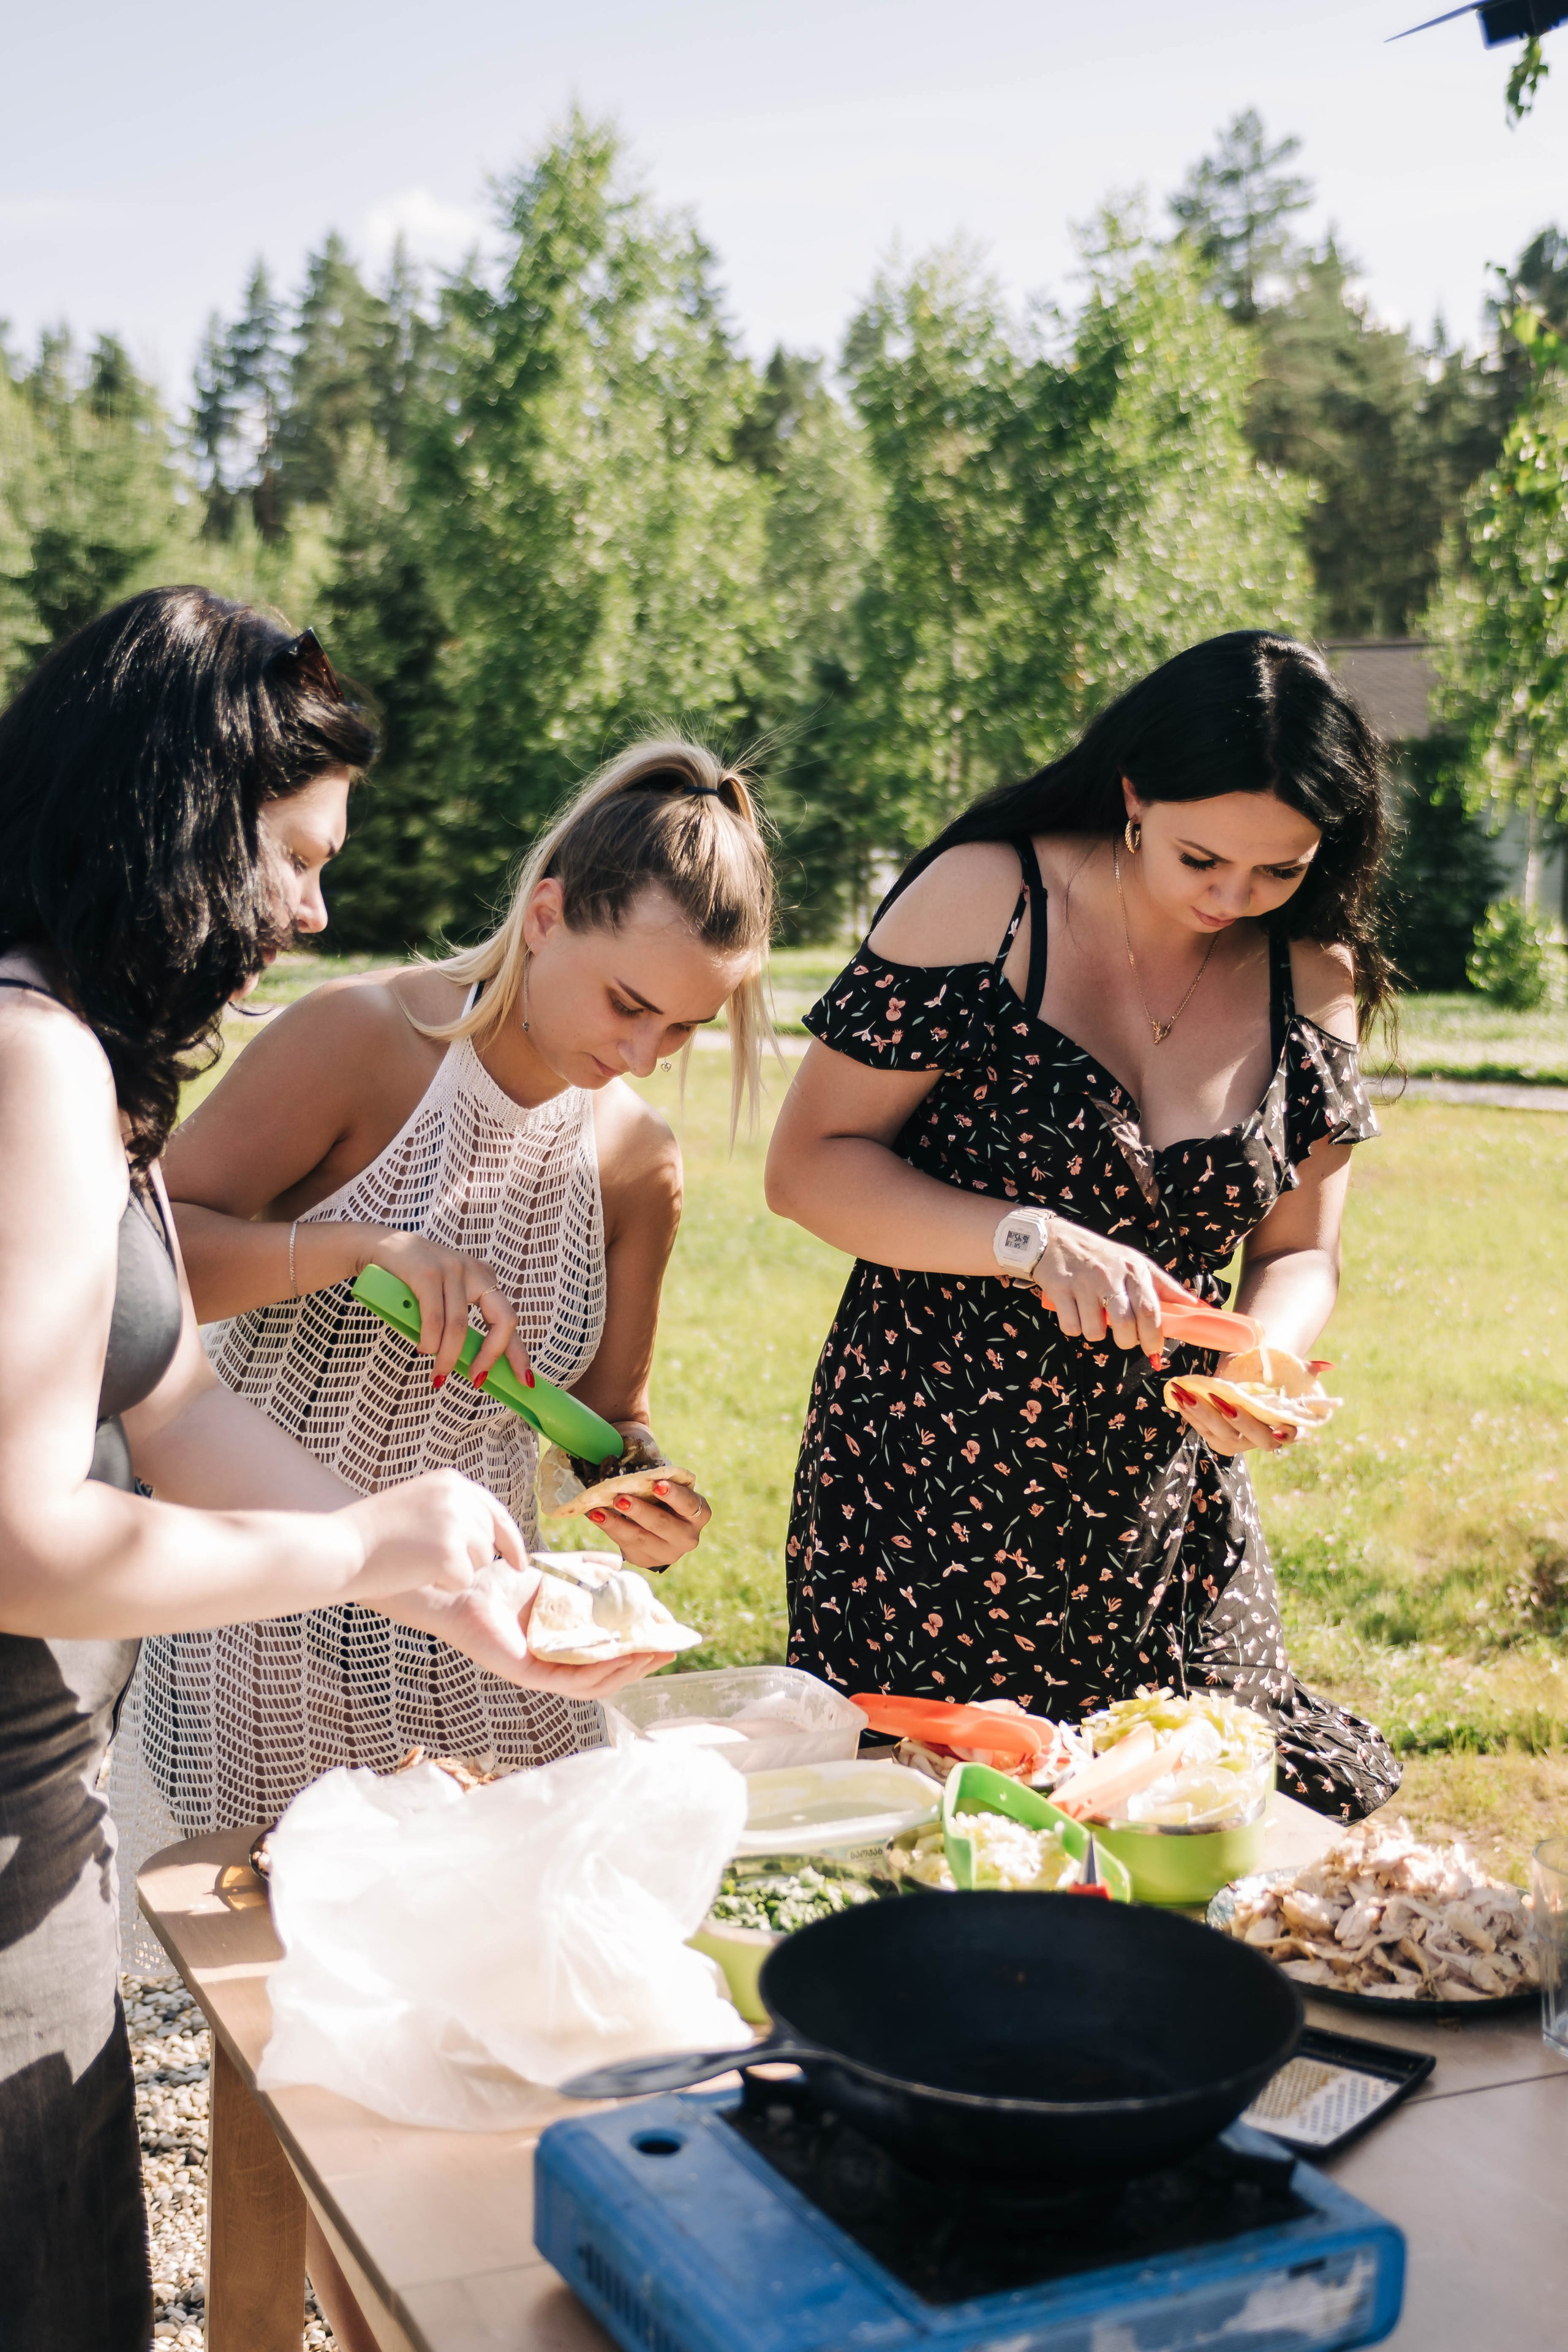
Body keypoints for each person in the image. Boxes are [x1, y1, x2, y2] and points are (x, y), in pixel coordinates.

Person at [0, 589, 664, 2352]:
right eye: (291, 858)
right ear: (168, 825)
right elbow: (25, 1542)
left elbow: (173, 1406)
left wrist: (447, 1583)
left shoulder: (80, 1058)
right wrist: (361, 1548)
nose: (311, 909)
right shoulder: (26, 1057)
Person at [112, 740, 774, 1893]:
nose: (641, 1055)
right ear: (546, 917)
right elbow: (141, 1263)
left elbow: (608, 1418)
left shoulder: (636, 1162)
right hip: (268, 1614)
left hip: (491, 1638)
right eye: (628, 1004)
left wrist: (642, 1492)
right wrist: (357, 1248)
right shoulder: (361, 1039)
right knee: (270, 1952)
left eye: (682, 1029)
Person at [767, 631, 1400, 1821]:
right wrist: (1025, 1236)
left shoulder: (1311, 971)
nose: (1229, 899)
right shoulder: (987, 900)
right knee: (940, 1838)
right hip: (928, 1482)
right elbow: (807, 1168)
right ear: (1132, 795)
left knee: (1209, 1821)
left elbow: (1301, 1251)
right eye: (1201, 857)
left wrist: (1259, 1359)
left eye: (1276, 870)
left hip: (1163, 1503)